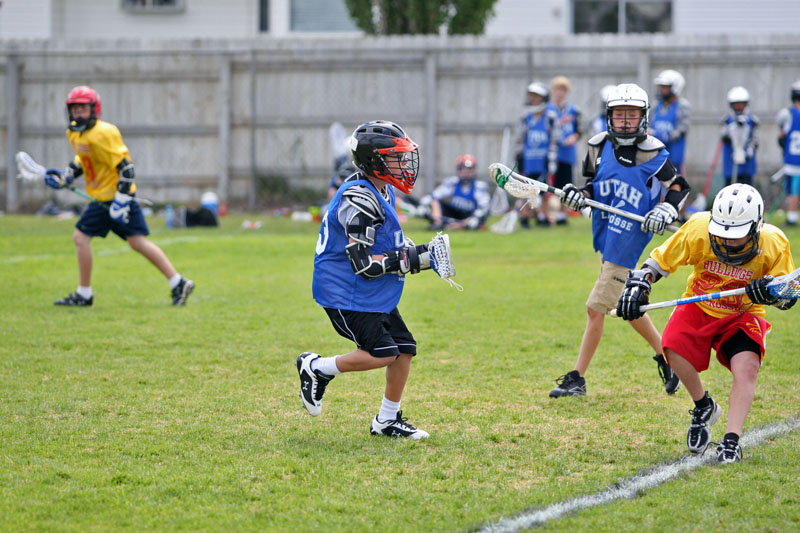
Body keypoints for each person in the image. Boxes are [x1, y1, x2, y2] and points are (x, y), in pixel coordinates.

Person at [617, 184, 796, 463]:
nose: (728, 242)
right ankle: (704, 407)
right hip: (699, 304)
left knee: (746, 368)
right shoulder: (699, 227)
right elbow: (659, 261)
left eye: (736, 236)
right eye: (723, 234)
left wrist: (771, 293)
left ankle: (731, 442)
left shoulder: (773, 242)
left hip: (742, 313)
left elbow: (789, 295)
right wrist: (641, 283)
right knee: (671, 348)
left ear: (756, 227)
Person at [298, 120, 438, 439]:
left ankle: (386, 420)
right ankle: (317, 368)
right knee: (383, 353)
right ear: (374, 160)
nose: (402, 164)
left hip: (366, 290)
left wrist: (421, 252)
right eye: (394, 157)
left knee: (404, 349)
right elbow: (365, 265)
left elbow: (384, 244)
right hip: (344, 290)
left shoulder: (380, 187)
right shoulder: (359, 198)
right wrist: (414, 260)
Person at [549, 83, 690, 398]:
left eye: (632, 114)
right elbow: (592, 187)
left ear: (643, 116)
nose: (625, 120)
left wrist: (667, 207)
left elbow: (679, 186)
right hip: (607, 231)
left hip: (629, 237)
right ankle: (669, 360)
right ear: (609, 116)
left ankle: (577, 379)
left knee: (594, 309)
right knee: (628, 308)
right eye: (619, 114)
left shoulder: (652, 151)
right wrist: (578, 195)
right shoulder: (598, 146)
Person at [44, 86, 194, 306]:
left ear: (94, 109)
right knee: (137, 242)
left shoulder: (104, 132)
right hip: (107, 197)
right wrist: (65, 177)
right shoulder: (74, 133)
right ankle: (178, 282)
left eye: (83, 107)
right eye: (75, 108)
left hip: (112, 197)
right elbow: (83, 160)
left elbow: (126, 169)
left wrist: (121, 202)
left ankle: (84, 294)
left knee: (80, 237)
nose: (78, 112)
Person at [514, 81, 559, 227]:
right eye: (531, 97)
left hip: (543, 161)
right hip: (528, 161)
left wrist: (551, 160)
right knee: (526, 191)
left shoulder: (550, 117)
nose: (533, 100)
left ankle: (544, 217)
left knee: (545, 191)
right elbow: (520, 140)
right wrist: (518, 158)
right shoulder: (525, 118)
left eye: (536, 97)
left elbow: (554, 139)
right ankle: (524, 217)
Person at [421, 154, 491, 231]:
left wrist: (475, 218)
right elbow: (433, 196)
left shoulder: (480, 187)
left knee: (475, 221)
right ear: (458, 170)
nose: (466, 172)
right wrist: (423, 206)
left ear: (474, 170)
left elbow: (484, 206)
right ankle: (437, 223)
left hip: (469, 216)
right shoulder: (452, 183)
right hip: (451, 215)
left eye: (469, 169)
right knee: (434, 202)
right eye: (462, 169)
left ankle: (450, 227)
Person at [548, 75, 582, 225]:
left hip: (567, 154)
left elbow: (579, 130)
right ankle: (548, 215)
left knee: (566, 185)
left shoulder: (573, 110)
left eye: (563, 90)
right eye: (557, 89)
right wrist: (561, 122)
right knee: (550, 185)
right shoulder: (548, 110)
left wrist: (573, 138)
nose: (560, 93)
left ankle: (563, 214)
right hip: (552, 153)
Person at [649, 69, 691, 175]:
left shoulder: (682, 106)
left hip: (674, 158)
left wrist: (662, 136)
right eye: (661, 87)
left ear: (675, 88)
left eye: (665, 87)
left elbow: (682, 130)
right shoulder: (655, 106)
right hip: (656, 157)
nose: (662, 90)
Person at [720, 86, 759, 186]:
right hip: (731, 160)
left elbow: (755, 139)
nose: (739, 107)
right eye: (736, 105)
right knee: (730, 187)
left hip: (747, 163)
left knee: (747, 186)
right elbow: (724, 136)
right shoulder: (726, 120)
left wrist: (748, 152)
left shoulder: (752, 120)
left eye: (741, 104)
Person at [776, 80, 800, 226]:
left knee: (792, 190)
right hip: (793, 160)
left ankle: (792, 218)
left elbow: (781, 137)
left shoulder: (787, 114)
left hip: (792, 161)